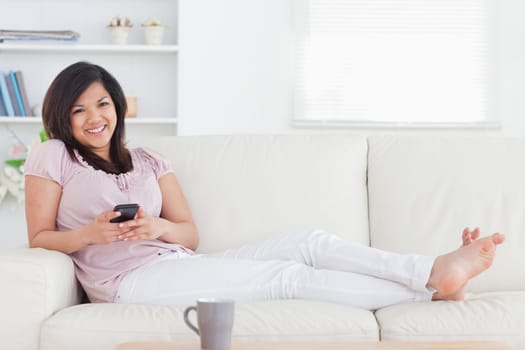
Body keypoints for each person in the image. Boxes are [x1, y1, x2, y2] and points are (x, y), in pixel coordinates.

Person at [24, 61, 506, 309]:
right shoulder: (52, 155)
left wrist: (156, 228)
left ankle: (429, 269)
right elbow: (40, 238)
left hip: (175, 260)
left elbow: (189, 234)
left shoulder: (149, 158)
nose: (94, 118)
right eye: (79, 109)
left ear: (117, 107)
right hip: (127, 283)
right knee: (284, 278)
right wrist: (91, 234)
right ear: (62, 116)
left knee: (307, 242)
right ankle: (431, 291)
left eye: (103, 104)